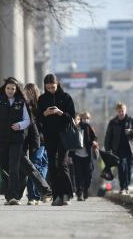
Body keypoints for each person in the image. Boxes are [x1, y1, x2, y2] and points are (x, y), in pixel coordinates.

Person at [0, 73, 30, 205]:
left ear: (16, 90)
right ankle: (9, 196)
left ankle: (14, 197)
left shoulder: (21, 101)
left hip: (16, 140)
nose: (10, 91)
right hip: (1, 140)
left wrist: (20, 125)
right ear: (4, 88)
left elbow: (27, 120)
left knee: (14, 168)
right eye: (8, 88)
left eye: (13, 89)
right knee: (3, 168)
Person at [37, 74, 75, 206]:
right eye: (48, 88)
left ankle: (66, 194)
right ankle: (56, 195)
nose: (51, 90)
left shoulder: (66, 98)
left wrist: (60, 112)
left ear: (57, 84)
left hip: (63, 135)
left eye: (53, 87)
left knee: (62, 163)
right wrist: (44, 114)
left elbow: (72, 118)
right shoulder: (41, 99)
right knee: (52, 165)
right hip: (49, 136)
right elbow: (37, 119)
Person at [23, 83, 52, 205]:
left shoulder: (34, 105)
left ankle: (36, 194)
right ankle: (33, 195)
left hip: (40, 139)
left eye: (28, 92)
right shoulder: (30, 106)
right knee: (35, 165)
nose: (26, 94)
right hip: (37, 139)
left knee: (41, 164)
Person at [104, 102, 133, 194]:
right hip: (118, 149)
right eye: (119, 111)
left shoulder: (131, 120)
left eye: (123, 110)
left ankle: (126, 186)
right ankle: (123, 187)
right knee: (121, 167)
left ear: (125, 110)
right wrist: (108, 149)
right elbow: (108, 136)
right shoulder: (113, 122)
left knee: (128, 168)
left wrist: (131, 131)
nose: (121, 113)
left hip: (129, 149)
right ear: (117, 111)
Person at [71, 112, 99, 201]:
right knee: (78, 175)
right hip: (77, 155)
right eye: (83, 118)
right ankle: (80, 193)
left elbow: (94, 137)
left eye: (87, 118)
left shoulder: (87, 127)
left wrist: (94, 142)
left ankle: (86, 189)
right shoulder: (73, 128)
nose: (85, 120)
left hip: (87, 155)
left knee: (88, 174)